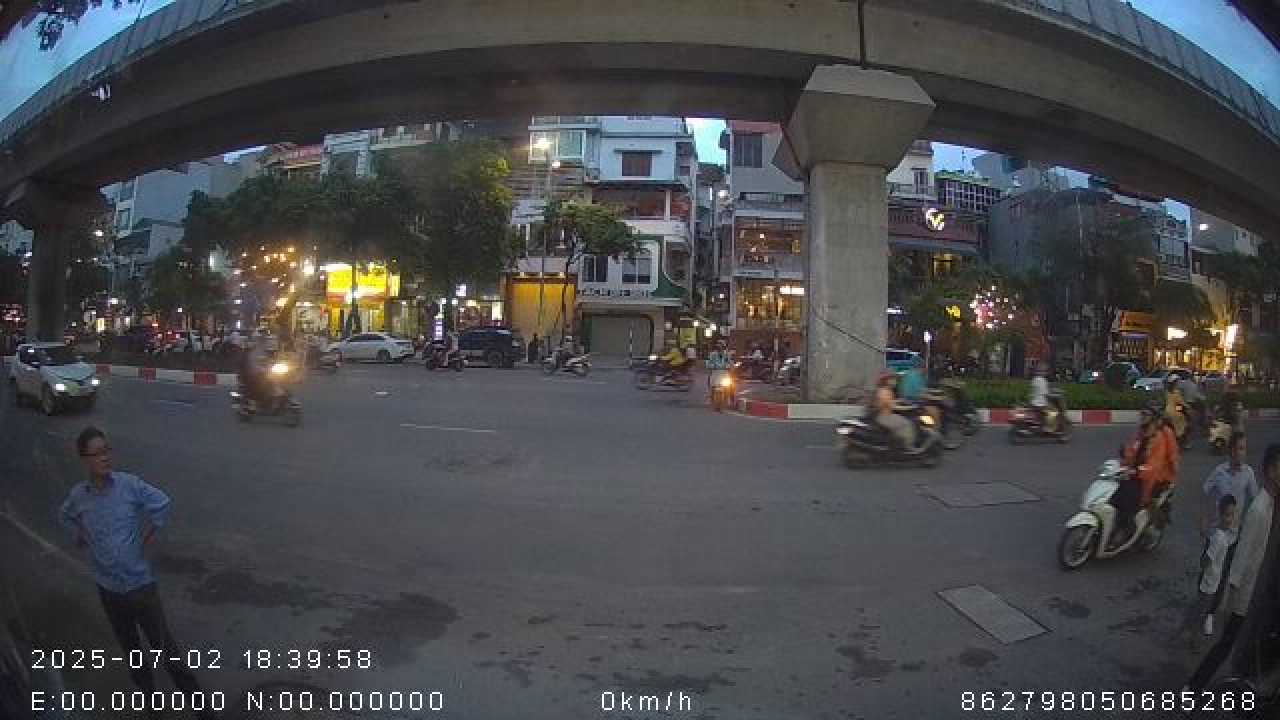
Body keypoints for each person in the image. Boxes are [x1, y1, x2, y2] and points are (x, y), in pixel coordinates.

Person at [59, 427, 214, 720]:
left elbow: (162, 503)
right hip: (109, 591)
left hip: (141, 588)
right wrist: (80, 536)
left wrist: (147, 535)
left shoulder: (129, 485)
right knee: (132, 653)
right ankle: (151, 705)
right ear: (84, 459)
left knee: (166, 651)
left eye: (107, 450)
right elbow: (65, 516)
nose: (105, 457)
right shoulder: (79, 496)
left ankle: (202, 709)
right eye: (97, 453)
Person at [1187, 443, 1279, 690]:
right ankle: (1193, 687)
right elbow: (1242, 558)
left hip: (1260, 593)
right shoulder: (1259, 510)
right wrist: (1229, 599)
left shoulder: (1270, 503)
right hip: (1246, 596)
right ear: (1272, 470)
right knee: (1226, 643)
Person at [1176, 495, 1238, 646]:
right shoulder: (1219, 538)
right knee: (1200, 612)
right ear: (1220, 515)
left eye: (1232, 515)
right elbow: (1206, 561)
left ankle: (1184, 633)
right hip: (1209, 583)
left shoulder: (1221, 535)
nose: (1230, 519)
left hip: (1212, 582)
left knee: (1198, 609)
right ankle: (1190, 638)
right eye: (1227, 515)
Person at [1115, 402, 1179, 547]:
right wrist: (1123, 458)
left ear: (1154, 418)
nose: (1142, 416)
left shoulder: (1160, 437)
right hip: (1138, 474)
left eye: (1145, 414)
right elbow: (1132, 452)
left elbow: (1154, 466)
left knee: (1128, 496)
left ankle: (1128, 527)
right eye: (1141, 413)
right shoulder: (1140, 433)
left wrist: (1137, 471)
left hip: (1156, 479)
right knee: (1114, 491)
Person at [874, 370, 916, 450]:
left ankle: (898, 443)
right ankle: (908, 446)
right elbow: (893, 406)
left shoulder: (887, 390)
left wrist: (900, 401)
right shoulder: (884, 392)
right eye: (893, 379)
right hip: (885, 417)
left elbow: (890, 402)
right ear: (887, 381)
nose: (895, 381)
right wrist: (909, 407)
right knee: (907, 424)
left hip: (886, 416)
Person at [1164, 376, 1188, 440]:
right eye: (1177, 382)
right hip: (1175, 409)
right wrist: (1187, 406)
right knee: (1184, 419)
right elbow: (1180, 402)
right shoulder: (1176, 391)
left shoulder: (1167, 391)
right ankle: (1180, 435)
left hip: (1167, 409)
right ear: (1175, 383)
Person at [1029, 365, 1051, 429]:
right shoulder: (1043, 381)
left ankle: (1040, 426)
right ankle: (1046, 428)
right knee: (1052, 413)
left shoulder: (1034, 380)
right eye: (1045, 371)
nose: (1046, 373)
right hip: (1041, 404)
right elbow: (1046, 393)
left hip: (1033, 402)